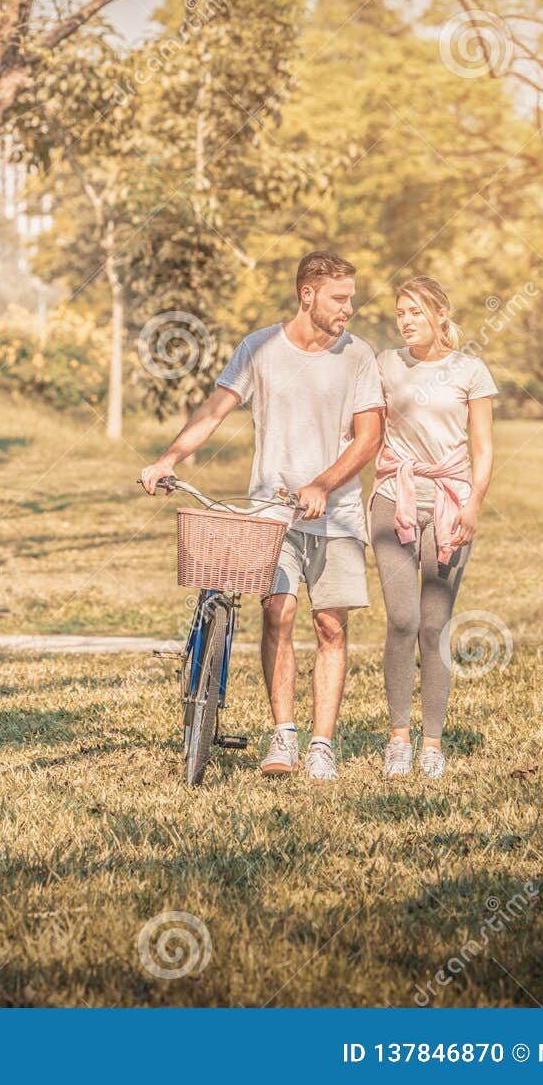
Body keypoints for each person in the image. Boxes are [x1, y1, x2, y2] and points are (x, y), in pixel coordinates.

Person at [141, 251, 383, 781]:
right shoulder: (260, 349)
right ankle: (285, 736)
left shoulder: (359, 356)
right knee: (278, 614)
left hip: (336, 514)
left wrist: (323, 483)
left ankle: (323, 743)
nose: (350, 307)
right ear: (307, 295)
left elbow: (370, 438)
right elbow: (213, 412)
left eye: (351, 297)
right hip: (272, 512)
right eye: (340, 298)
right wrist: (169, 459)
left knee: (330, 627)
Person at [369, 276, 497, 780]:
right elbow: (365, 426)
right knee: (401, 619)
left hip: (451, 502)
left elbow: (483, 445)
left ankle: (432, 743)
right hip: (393, 498)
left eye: (416, 311)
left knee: (433, 625)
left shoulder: (470, 370)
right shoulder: (385, 365)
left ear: (440, 314)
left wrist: (474, 504)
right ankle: (398, 738)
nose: (406, 320)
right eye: (401, 312)